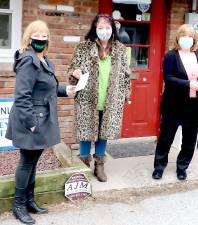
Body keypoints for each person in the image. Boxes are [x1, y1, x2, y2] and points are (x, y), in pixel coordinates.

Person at [5, 20, 75, 224]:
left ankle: (29, 200)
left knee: (34, 161)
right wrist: (32, 123)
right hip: (31, 121)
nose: (41, 39)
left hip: (41, 119)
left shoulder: (43, 59)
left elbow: (47, 88)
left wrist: (65, 90)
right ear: (29, 37)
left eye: (44, 37)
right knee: (27, 162)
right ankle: (18, 205)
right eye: (37, 36)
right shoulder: (28, 60)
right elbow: (22, 96)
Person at [67, 14, 131, 182]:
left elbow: (126, 75)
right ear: (95, 28)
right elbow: (72, 68)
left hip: (111, 99)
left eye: (107, 28)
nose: (104, 31)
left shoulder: (120, 49)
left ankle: (99, 166)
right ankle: (83, 166)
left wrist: (126, 94)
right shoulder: (83, 47)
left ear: (113, 30)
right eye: (100, 28)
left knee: (104, 133)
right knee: (86, 132)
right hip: (87, 99)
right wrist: (74, 73)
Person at [152, 24, 198, 181]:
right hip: (174, 103)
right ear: (178, 38)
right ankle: (159, 166)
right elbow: (169, 78)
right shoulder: (171, 55)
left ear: (194, 39)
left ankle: (182, 167)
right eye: (183, 36)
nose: (187, 40)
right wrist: (189, 84)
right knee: (166, 137)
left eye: (190, 37)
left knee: (190, 139)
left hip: (194, 104)